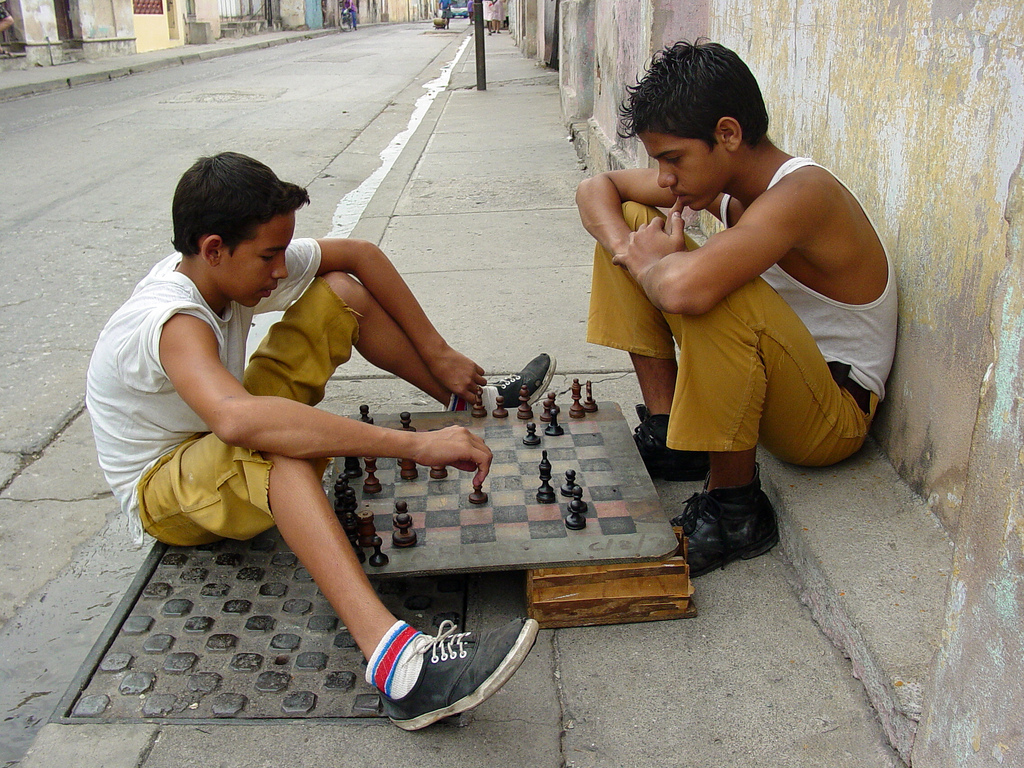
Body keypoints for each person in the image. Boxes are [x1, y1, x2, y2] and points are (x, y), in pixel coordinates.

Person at [87, 152, 554, 729]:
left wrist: (437, 350)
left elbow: (358, 256)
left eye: (283, 252)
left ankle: (470, 404)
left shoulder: (222, 271)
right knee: (276, 450)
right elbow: (237, 423)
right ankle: (398, 667)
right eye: (268, 256)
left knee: (338, 292)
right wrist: (411, 446)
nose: (281, 270)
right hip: (165, 488)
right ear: (213, 249)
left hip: (214, 427)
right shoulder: (171, 319)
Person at [576, 40, 896, 578]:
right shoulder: (728, 190)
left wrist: (652, 267)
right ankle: (669, 431)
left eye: (673, 159)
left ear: (727, 135)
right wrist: (633, 252)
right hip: (783, 384)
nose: (666, 178)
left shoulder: (804, 193)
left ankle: (734, 508)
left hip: (830, 418)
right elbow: (596, 188)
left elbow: (684, 292)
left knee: (711, 288)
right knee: (632, 221)